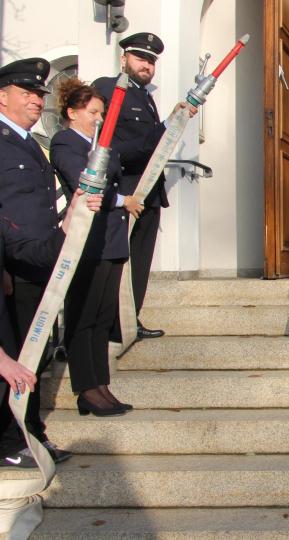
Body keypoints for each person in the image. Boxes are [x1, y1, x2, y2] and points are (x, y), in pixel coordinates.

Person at [93, 32, 197, 340]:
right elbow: (117, 146)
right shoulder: (109, 89)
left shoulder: (143, 96)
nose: (147, 65)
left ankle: (129, 319)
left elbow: (153, 144)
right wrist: (166, 125)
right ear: (123, 58)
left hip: (148, 191)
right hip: (124, 190)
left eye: (151, 61)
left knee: (139, 261)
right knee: (119, 261)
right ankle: (112, 322)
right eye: (141, 58)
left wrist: (173, 121)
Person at [0, 57, 74, 464]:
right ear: (2, 96)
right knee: (15, 357)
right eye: (28, 93)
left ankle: (28, 429)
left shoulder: (29, 142)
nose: (36, 100)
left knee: (36, 355)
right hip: (14, 265)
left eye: (39, 94)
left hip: (38, 260)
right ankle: (11, 441)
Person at [50, 79, 131, 417]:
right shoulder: (66, 141)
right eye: (93, 112)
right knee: (83, 315)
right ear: (72, 112)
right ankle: (86, 388)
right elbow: (84, 182)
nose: (99, 118)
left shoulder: (101, 142)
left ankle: (102, 384)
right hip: (86, 237)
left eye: (102, 112)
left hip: (110, 237)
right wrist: (122, 199)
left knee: (101, 316)